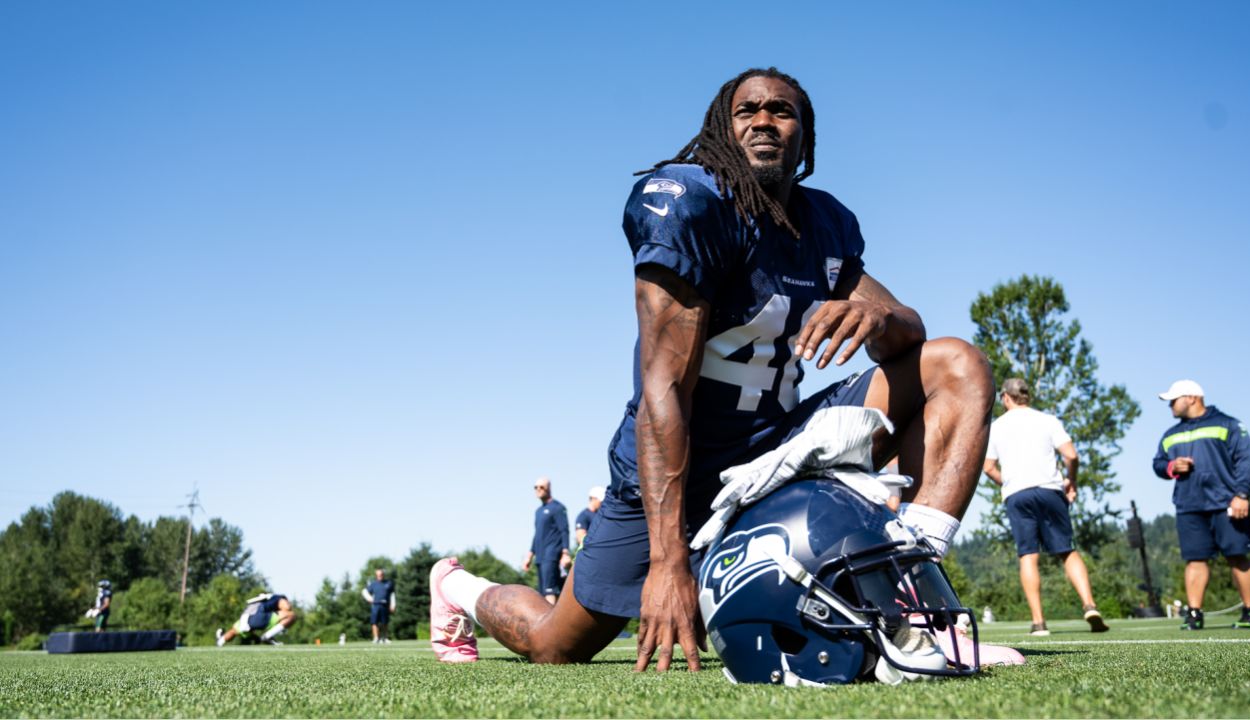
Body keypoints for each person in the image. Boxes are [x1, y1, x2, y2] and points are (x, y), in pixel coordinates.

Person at [428, 67, 997, 672]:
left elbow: (907, 329)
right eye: (746, 110)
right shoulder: (692, 204)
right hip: (682, 466)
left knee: (957, 365)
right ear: (722, 129)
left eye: (782, 111)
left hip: (777, 451)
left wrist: (881, 322)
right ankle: (457, 590)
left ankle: (914, 593)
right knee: (554, 645)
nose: (763, 121)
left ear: (805, 134)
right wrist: (668, 563)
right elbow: (661, 391)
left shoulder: (824, 222)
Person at [983, 378, 1108, 635]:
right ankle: (1089, 605)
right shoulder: (1047, 420)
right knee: (1067, 550)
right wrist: (1071, 481)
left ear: (1006, 397)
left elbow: (987, 466)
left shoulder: (997, 427)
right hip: (1050, 490)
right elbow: (1071, 455)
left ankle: (1039, 622)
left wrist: (1006, 482)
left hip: (1017, 493)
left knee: (1028, 555)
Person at [1152, 379, 1250, 630]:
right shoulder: (1170, 435)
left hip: (1228, 503)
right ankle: (1194, 614)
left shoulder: (1228, 424)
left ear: (1192, 397)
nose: (1170, 404)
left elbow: (1246, 460)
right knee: (1195, 560)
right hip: (1188, 505)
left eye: (1174, 399)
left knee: (1237, 557)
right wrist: (1171, 467)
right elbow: (1158, 463)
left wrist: (1242, 494)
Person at [520, 477, 571, 604]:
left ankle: (551, 624)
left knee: (550, 591)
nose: (538, 489)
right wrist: (529, 556)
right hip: (540, 558)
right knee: (543, 593)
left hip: (552, 556)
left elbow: (564, 530)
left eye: (541, 487)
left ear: (548, 488)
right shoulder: (538, 511)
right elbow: (537, 535)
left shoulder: (558, 508)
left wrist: (565, 553)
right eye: (535, 487)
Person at [216, 593, 295, 646]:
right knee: (291, 615)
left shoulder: (259, 601)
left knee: (233, 631)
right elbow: (286, 607)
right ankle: (268, 636)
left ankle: (221, 640)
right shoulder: (278, 598)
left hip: (245, 618)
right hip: (258, 617)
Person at [362, 568, 396, 644]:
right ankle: (376, 638)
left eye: (381, 574)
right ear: (376, 575)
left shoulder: (389, 583)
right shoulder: (373, 584)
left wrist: (393, 605)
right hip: (375, 605)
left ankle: (385, 638)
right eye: (378, 575)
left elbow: (392, 595)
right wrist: (369, 599)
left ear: (383, 575)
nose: (379, 576)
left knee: (385, 622)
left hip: (385, 605)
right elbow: (364, 591)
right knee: (374, 622)